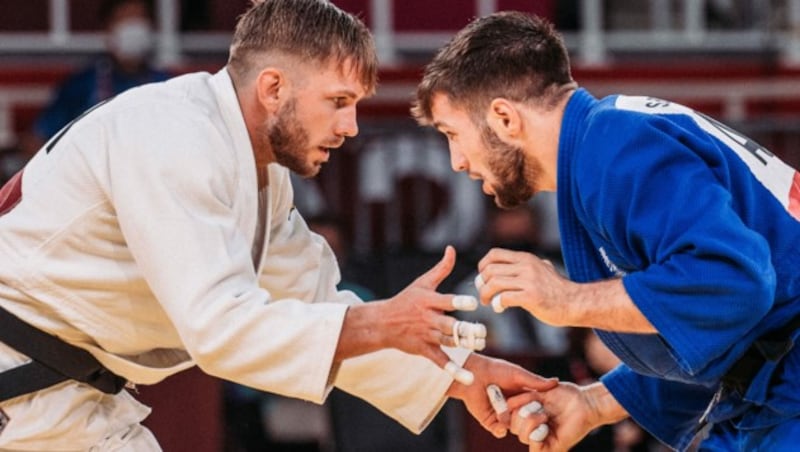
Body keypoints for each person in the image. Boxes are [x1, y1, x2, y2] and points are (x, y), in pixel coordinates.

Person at [0, 1, 557, 449]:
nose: (352, 126)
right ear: (273, 89)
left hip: (61, 398)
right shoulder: (174, 138)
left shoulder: (254, 170)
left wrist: (468, 377)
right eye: (338, 101)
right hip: (18, 382)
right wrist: (382, 324)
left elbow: (318, 308)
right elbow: (221, 331)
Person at [412, 10, 800, 451]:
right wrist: (594, 404)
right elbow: (723, 330)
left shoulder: (613, 147)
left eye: (452, 133)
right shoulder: (610, 136)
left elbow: (734, 286)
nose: (456, 162)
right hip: (772, 393)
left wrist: (567, 300)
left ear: (504, 117)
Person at [18, 0, 170, 161]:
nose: (133, 27)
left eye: (139, 18)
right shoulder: (81, 85)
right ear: (108, 32)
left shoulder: (167, 85)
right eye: (125, 19)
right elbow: (37, 141)